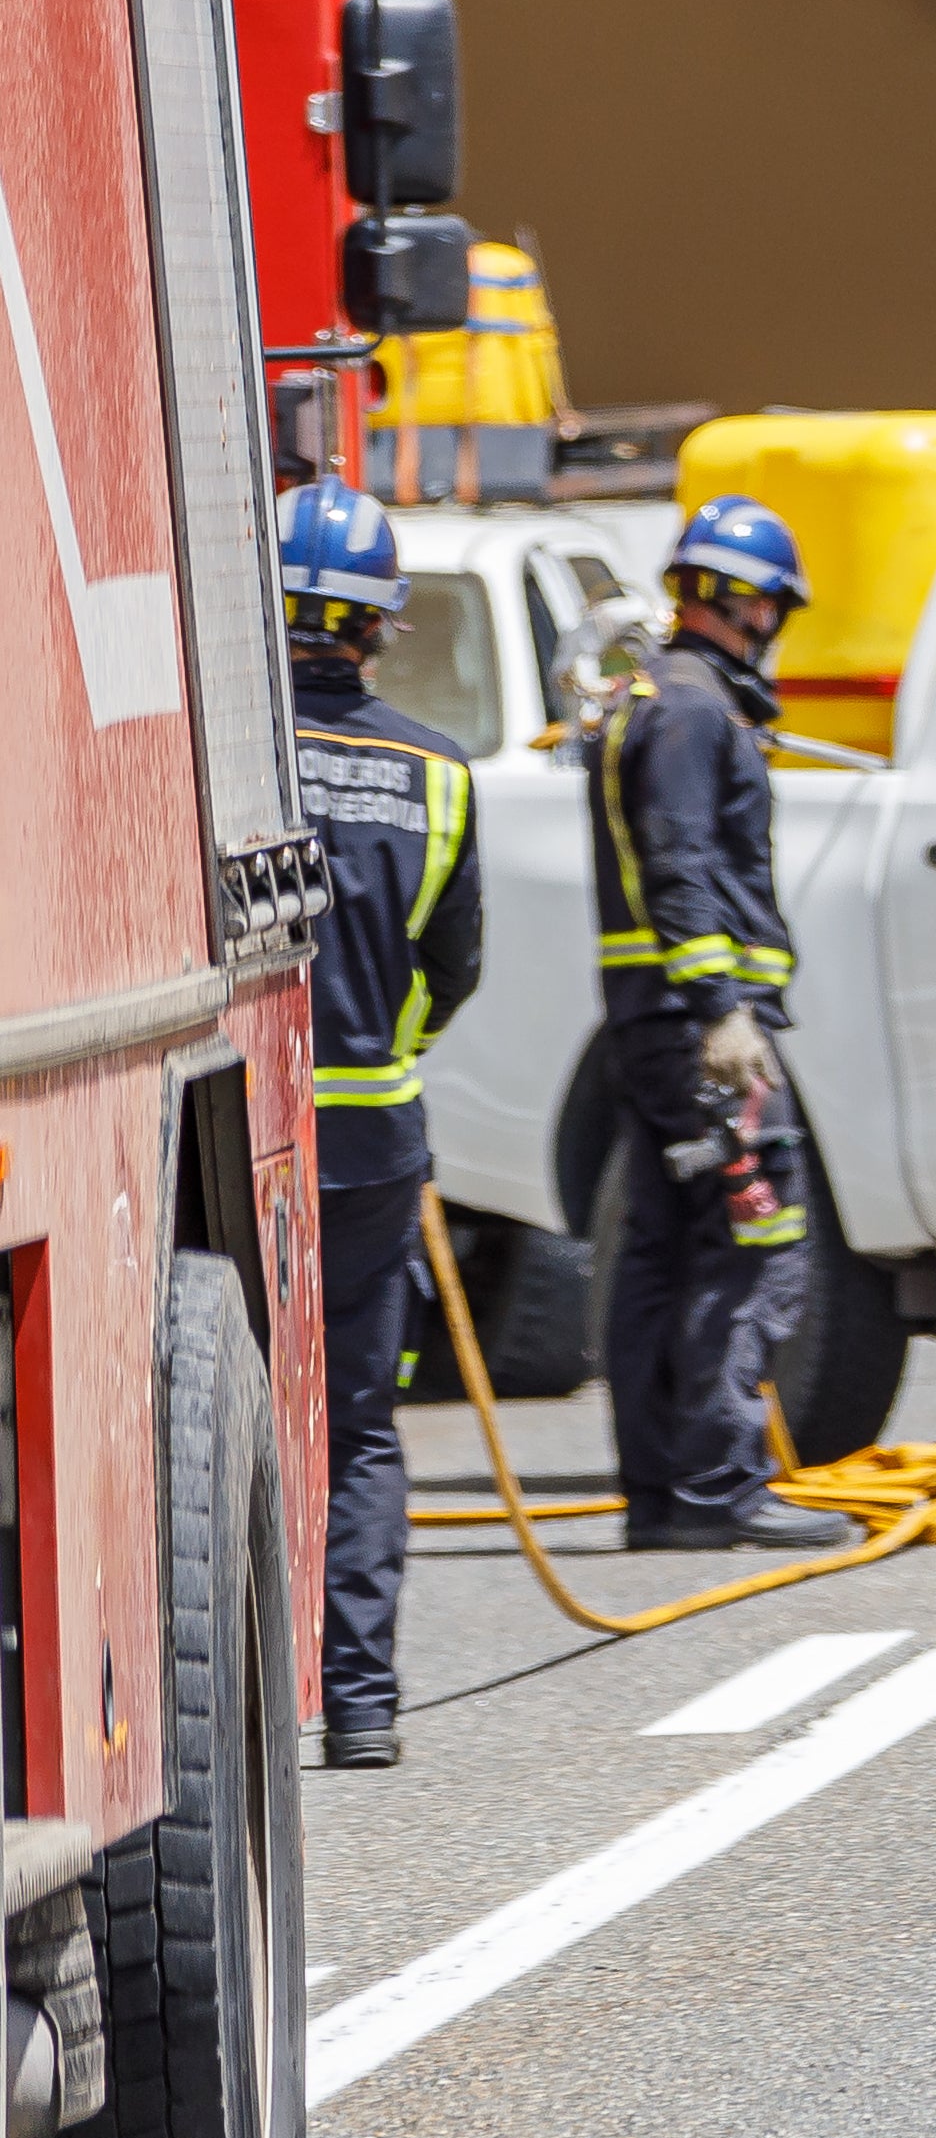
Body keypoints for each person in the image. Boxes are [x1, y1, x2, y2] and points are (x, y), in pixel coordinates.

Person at [592, 496, 842, 1551]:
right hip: (699, 1031)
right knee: (750, 1241)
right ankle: (719, 1488)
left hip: (657, 1025)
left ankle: (662, 1496)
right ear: (743, 601)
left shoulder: (665, 696)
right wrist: (723, 1012)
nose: (776, 624)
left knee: (662, 1249)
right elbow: (680, 861)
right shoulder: (693, 710)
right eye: (774, 604)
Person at [282, 484, 481, 1764]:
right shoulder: (437, 775)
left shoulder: (214, 750)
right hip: (370, 1144)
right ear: (379, 629)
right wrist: (387, 1057)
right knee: (356, 1425)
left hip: (219, 1134)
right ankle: (359, 1707)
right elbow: (450, 970)